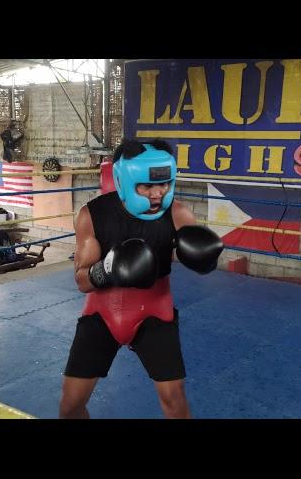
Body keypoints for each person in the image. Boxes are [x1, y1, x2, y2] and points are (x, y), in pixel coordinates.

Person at [59, 138, 223, 419]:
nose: (158, 193)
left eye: (165, 184)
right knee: (70, 406)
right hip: (101, 313)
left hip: (155, 313)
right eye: (147, 185)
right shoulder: (93, 215)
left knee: (174, 399)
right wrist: (108, 268)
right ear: (123, 180)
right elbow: (82, 281)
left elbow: (203, 261)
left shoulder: (178, 214)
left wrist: (205, 258)